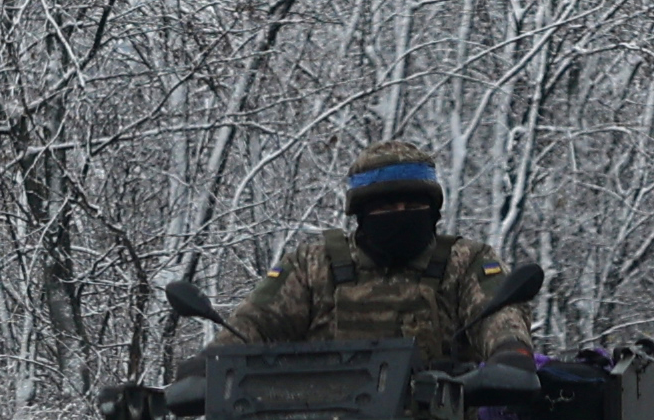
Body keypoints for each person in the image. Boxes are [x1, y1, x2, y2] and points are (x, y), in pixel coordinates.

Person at [211, 141, 534, 366]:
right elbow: (257, 320)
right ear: (362, 213)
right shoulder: (312, 266)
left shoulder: (465, 262)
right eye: (386, 206)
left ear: (433, 210)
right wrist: (210, 362)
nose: (400, 213)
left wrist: (509, 353)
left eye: (413, 204)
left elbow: (498, 316)